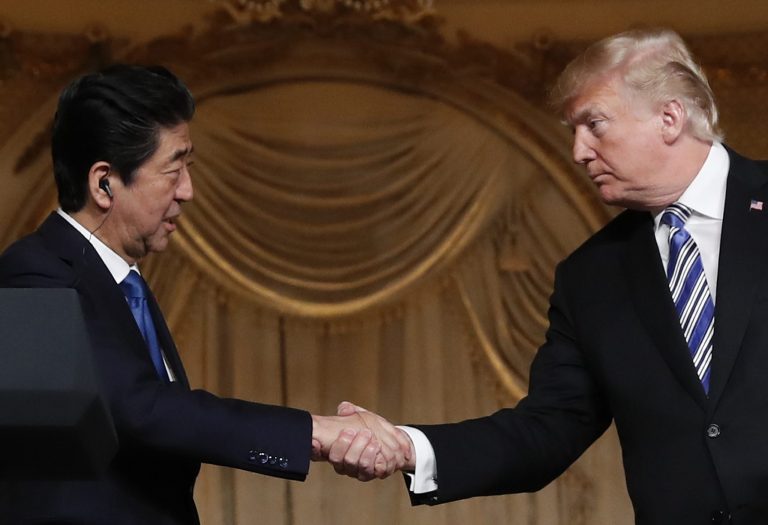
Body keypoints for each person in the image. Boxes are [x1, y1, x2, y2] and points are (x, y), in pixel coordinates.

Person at [326, 28, 768, 524]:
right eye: (573, 131)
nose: (578, 151)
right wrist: (408, 447)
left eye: (594, 124)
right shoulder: (591, 276)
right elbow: (547, 430)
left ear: (669, 117)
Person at [0, 64, 409, 524]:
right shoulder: (31, 276)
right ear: (104, 183)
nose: (188, 192)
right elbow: (139, 412)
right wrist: (314, 432)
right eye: (173, 171)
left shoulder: (124, 286)